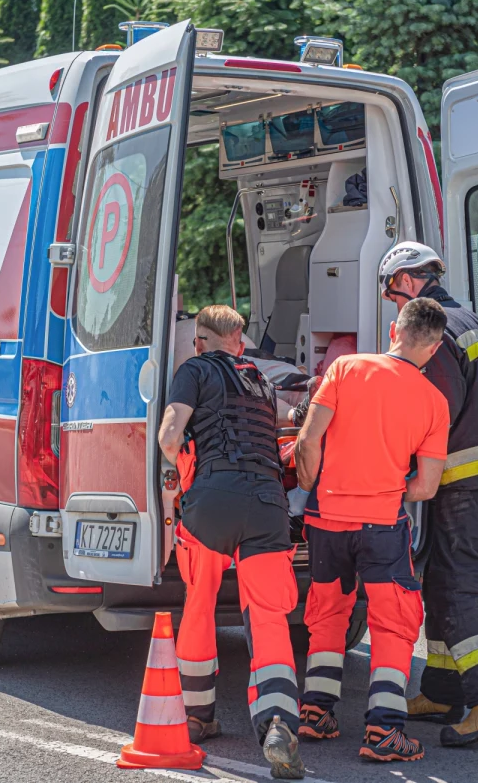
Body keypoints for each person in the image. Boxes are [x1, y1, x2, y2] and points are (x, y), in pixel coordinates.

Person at [376, 241, 478, 747]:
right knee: (443, 580)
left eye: (392, 296)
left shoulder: (436, 331)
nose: (396, 311)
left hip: (463, 480)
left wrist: (393, 467)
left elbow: (431, 408)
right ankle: (443, 689)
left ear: (406, 281)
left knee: (457, 587)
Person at [291, 297, 450, 762]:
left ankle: (316, 712)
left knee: (327, 614)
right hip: (381, 525)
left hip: (325, 520)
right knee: (393, 622)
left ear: (393, 331)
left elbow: (308, 439)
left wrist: (312, 486)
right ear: (435, 348)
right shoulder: (434, 402)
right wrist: (386, 489)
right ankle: (384, 731)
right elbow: (425, 486)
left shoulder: (346, 369)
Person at [156, 304, 303, 779]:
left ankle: (198, 716)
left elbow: (169, 435)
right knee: (268, 616)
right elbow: (285, 422)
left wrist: (178, 466)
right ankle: (279, 721)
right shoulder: (260, 380)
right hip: (267, 506)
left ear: (200, 341)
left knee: (199, 603)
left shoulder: (193, 370)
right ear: (240, 343)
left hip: (212, 504)